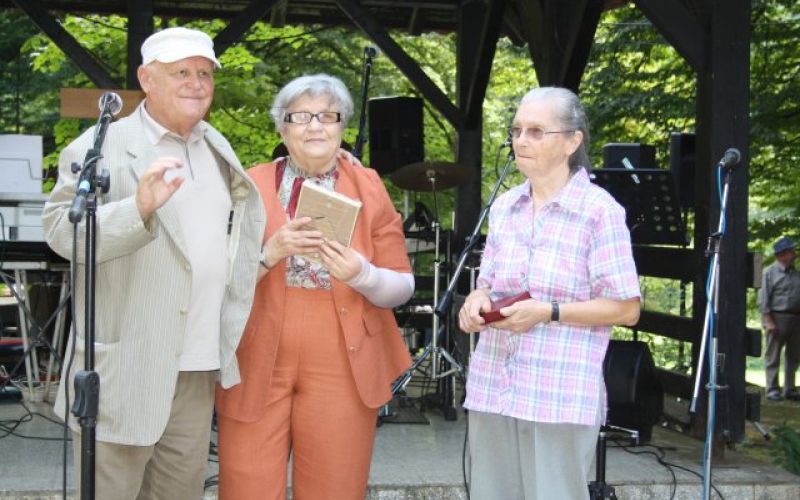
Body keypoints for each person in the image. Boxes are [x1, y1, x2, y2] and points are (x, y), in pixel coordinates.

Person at [42, 27, 266, 499]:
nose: (196, 82)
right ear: (147, 79)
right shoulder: (98, 147)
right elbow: (63, 234)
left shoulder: (217, 148)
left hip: (196, 366)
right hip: (125, 367)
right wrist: (137, 209)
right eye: (181, 72)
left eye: (204, 73)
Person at [214, 73, 414, 500]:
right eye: (300, 116)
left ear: (343, 128)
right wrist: (269, 254)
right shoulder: (247, 185)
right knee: (246, 482)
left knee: (336, 484)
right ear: (281, 127)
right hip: (256, 349)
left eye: (328, 115)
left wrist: (362, 274)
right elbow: (214, 280)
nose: (315, 126)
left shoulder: (370, 185)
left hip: (343, 354)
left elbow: (403, 285)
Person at [458, 86, 641, 499]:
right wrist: (475, 302)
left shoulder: (600, 211)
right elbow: (487, 284)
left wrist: (550, 312)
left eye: (537, 131)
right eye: (517, 129)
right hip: (494, 386)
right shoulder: (504, 208)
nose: (521, 140)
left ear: (572, 141)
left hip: (558, 392)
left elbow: (627, 309)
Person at [758, 236, 800, 401]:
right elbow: (763, 299)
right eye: (791, 250)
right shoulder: (768, 273)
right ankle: (772, 389)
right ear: (782, 254)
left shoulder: (796, 274)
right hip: (776, 318)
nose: (794, 253)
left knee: (794, 356)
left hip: (796, 320)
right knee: (773, 355)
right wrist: (768, 321)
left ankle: (789, 388)